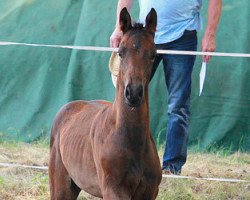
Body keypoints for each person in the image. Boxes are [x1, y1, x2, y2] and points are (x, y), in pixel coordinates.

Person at [110, 0, 222, 175]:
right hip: (141, 37)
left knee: (178, 105)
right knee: (128, 98)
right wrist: (118, 27)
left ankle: (171, 167)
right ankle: (122, 160)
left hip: (182, 36)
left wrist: (211, 33)